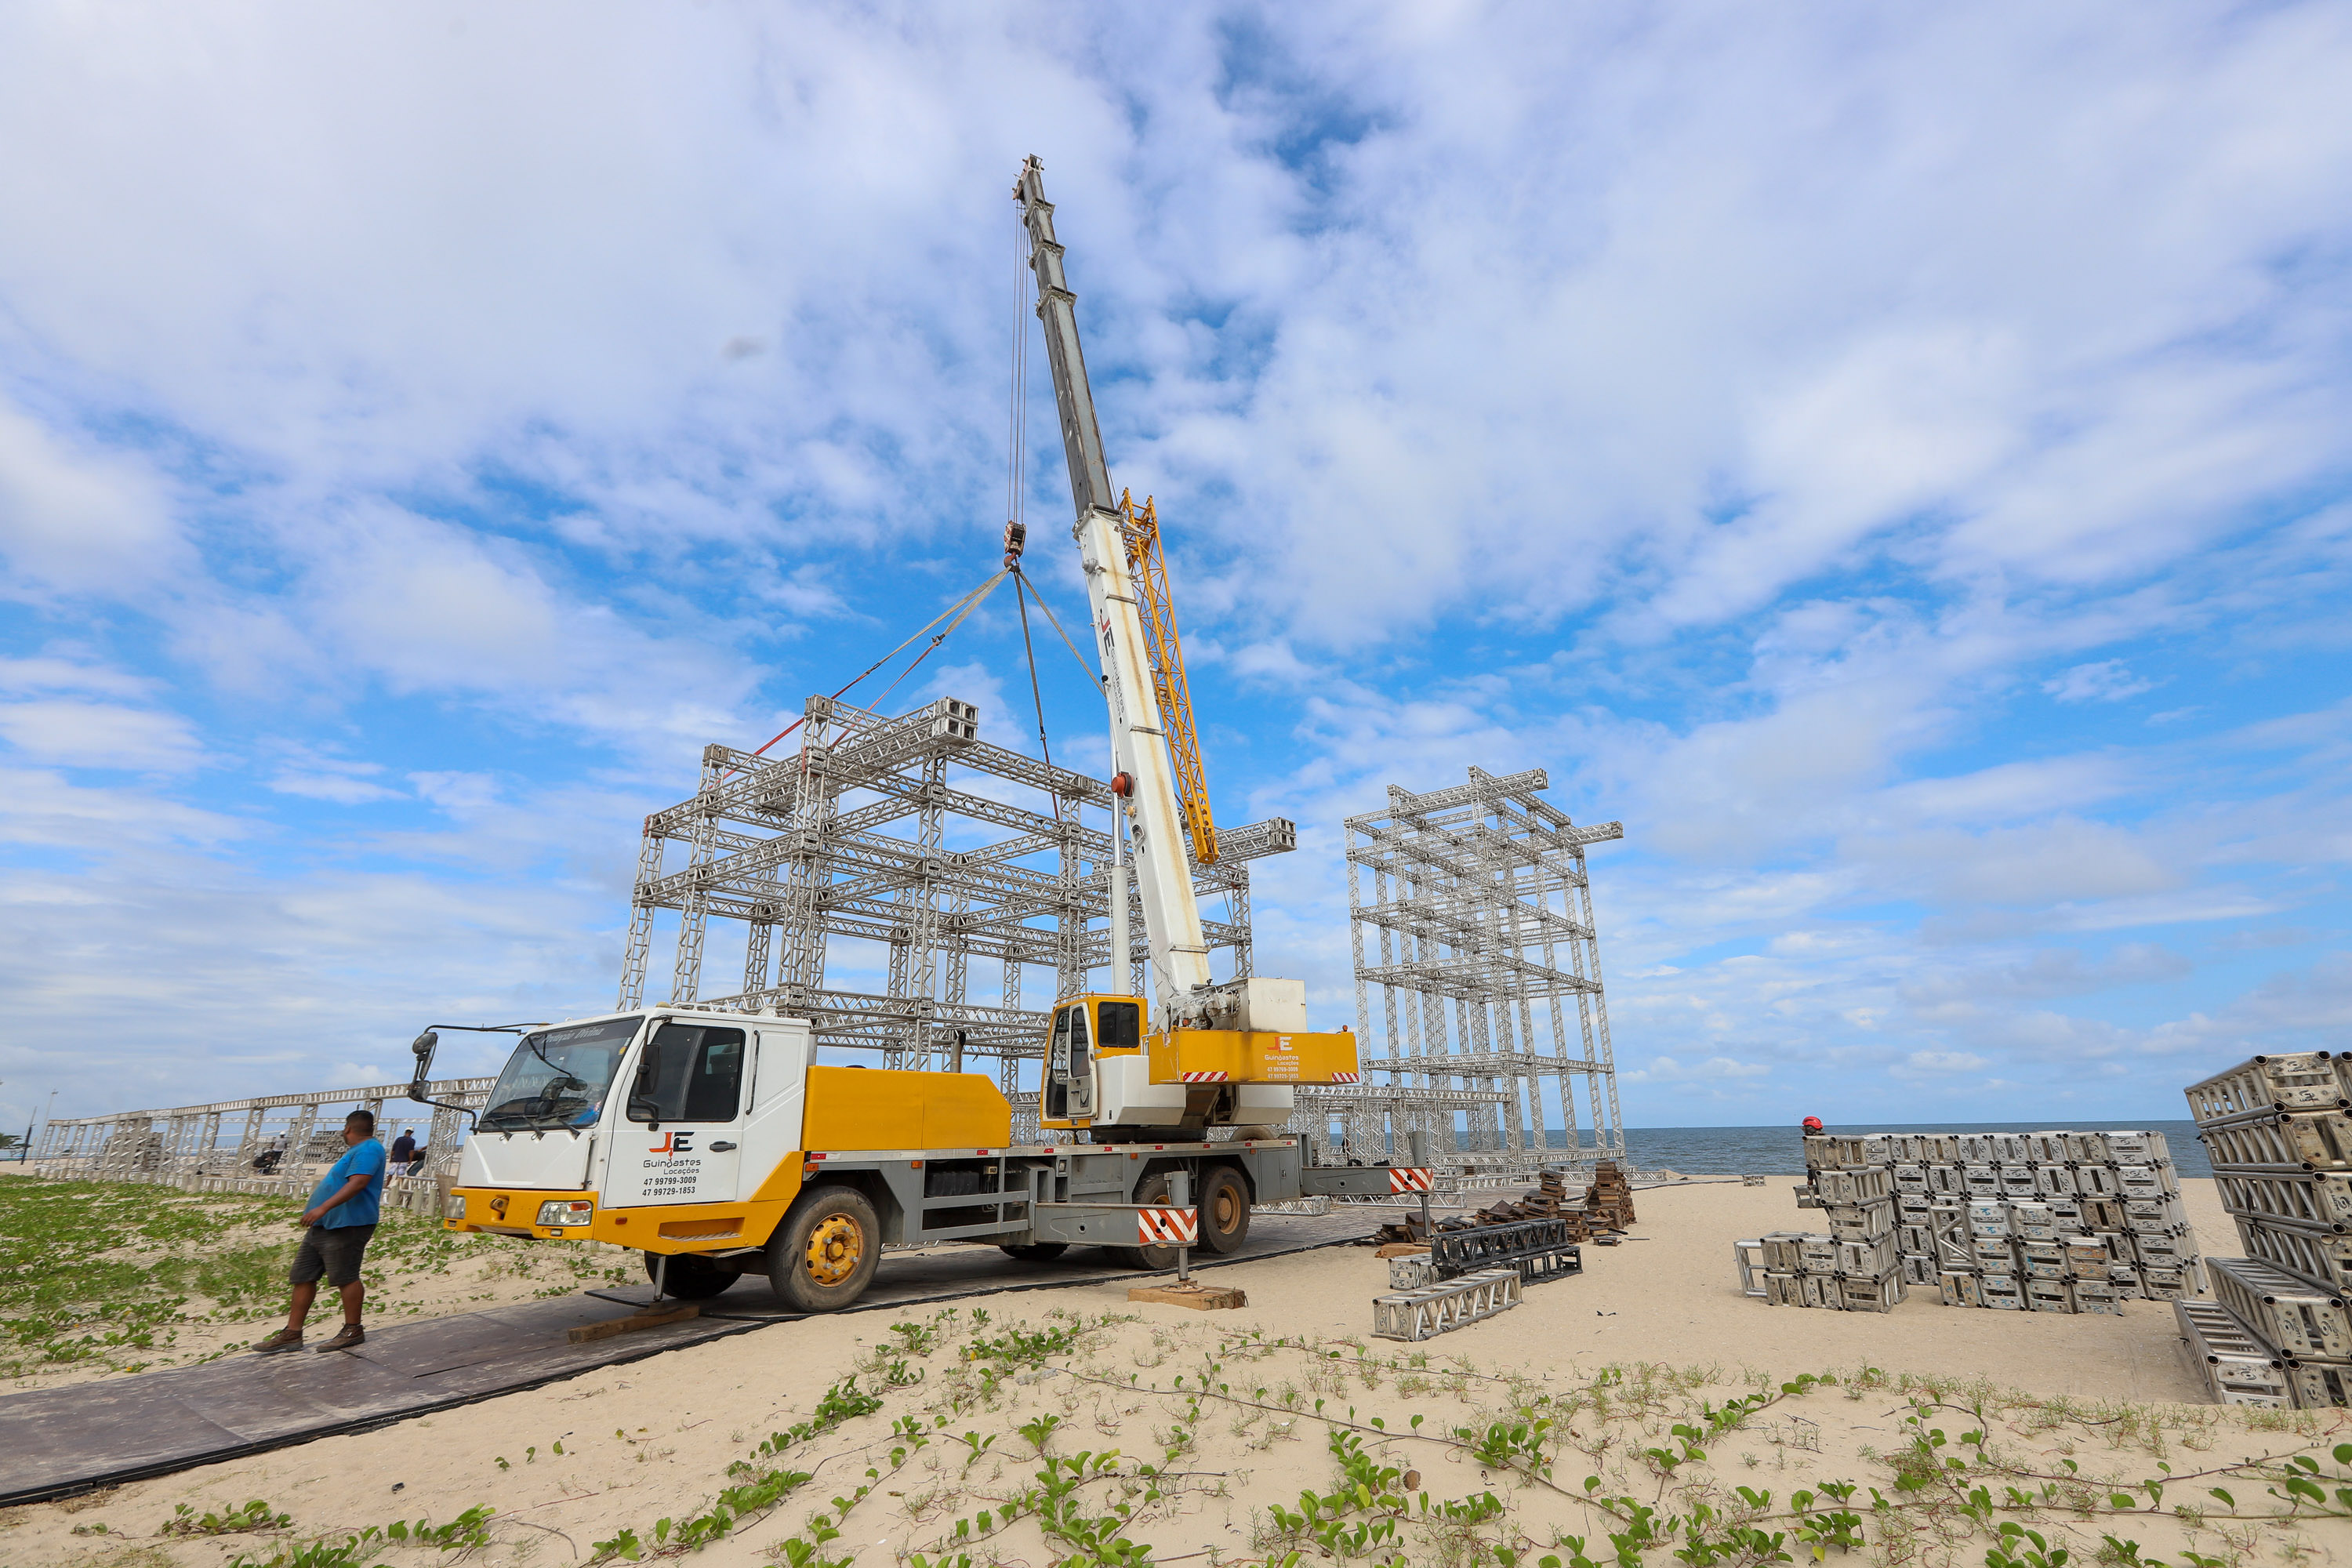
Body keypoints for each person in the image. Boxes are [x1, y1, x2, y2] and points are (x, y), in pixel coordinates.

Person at [252, 1110, 387, 1355]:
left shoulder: (368, 1149)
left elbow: (358, 1182)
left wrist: (322, 1207)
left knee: (346, 1277)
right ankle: (292, 1333)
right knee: (302, 1275)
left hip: (348, 1224)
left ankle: (353, 1329)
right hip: (326, 1223)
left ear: (348, 1130)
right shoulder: (359, 1150)